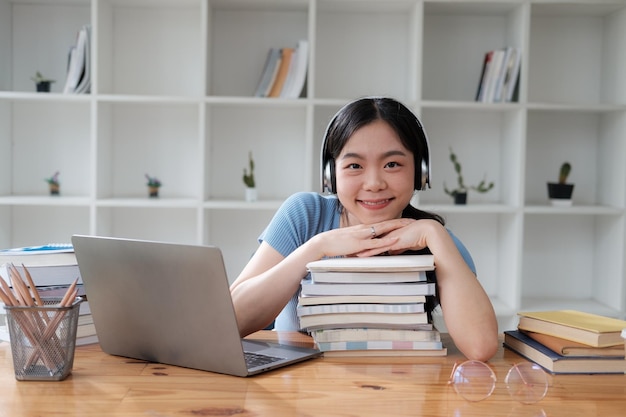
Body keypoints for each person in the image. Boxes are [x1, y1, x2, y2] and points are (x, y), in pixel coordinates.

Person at [230, 97, 498, 361]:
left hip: (401, 391)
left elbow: (481, 347)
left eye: (392, 164)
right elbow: (231, 319)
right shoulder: (305, 214)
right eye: (354, 166)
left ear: (420, 172)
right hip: (302, 390)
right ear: (330, 175)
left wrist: (434, 234)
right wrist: (316, 247)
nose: (373, 183)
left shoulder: (436, 241)